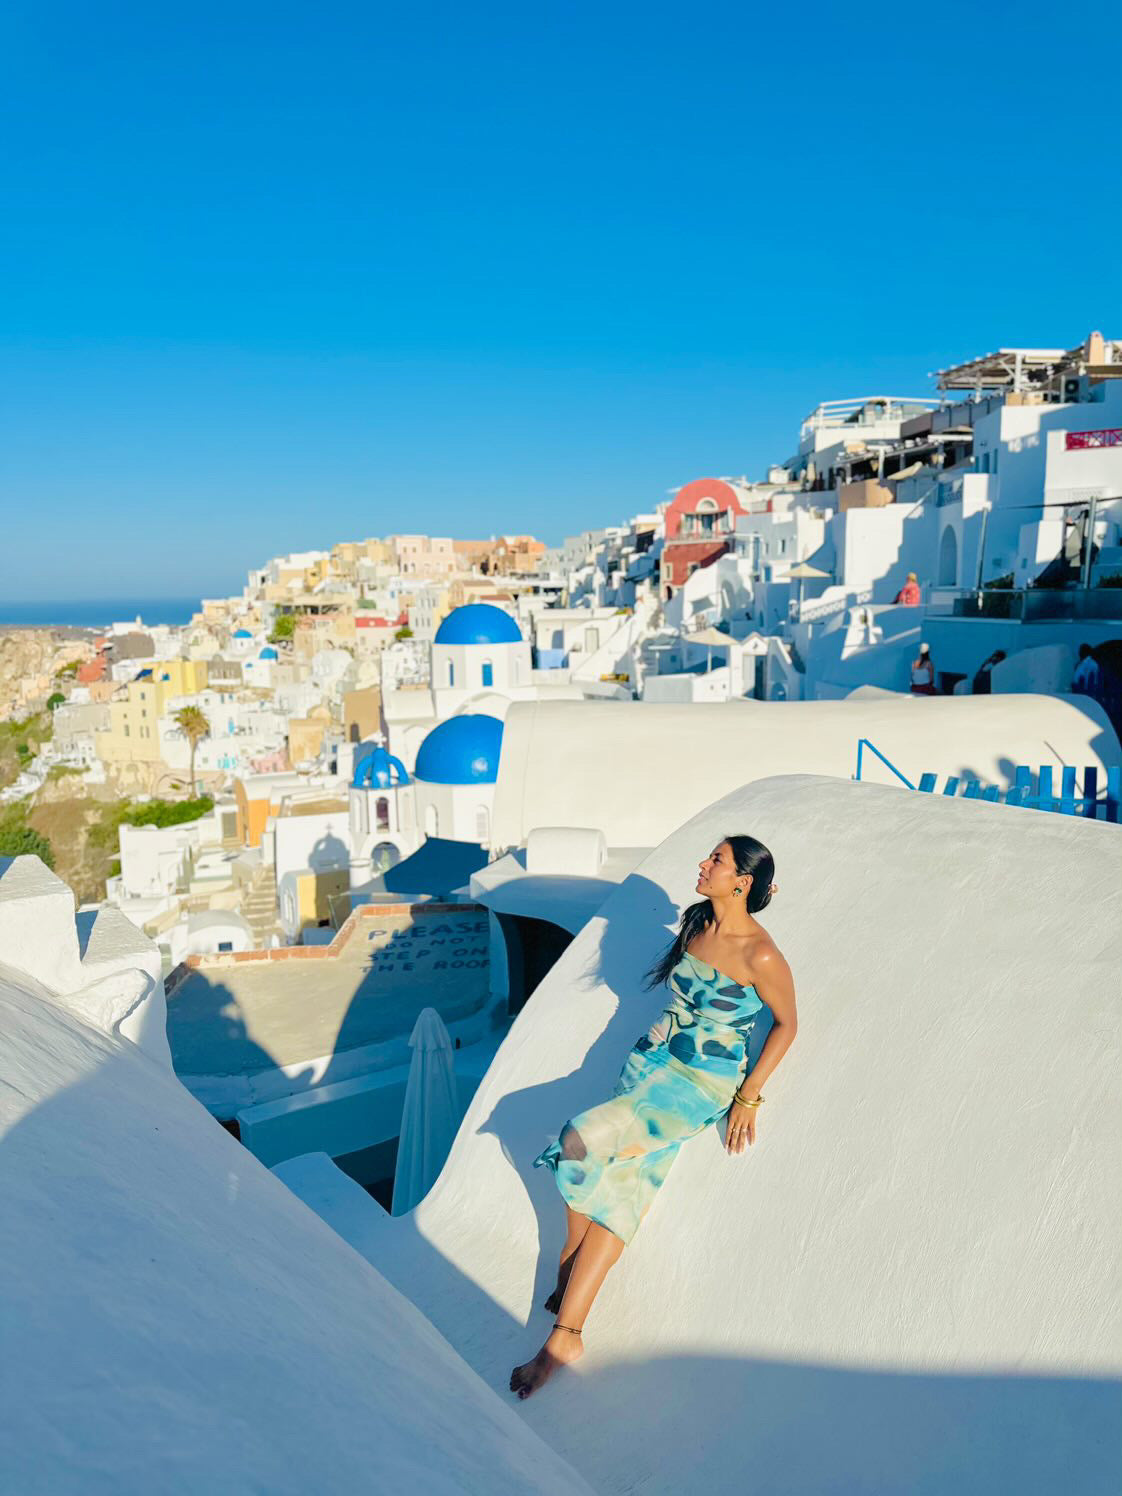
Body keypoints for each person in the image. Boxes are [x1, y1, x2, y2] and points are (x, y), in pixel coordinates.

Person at [509, 835, 798, 1400]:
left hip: (697, 1085)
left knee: (577, 1140)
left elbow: (788, 1024)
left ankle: (568, 1269)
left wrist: (749, 1095)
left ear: (742, 882)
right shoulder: (697, 925)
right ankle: (566, 1336)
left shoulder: (761, 955)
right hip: (648, 1064)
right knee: (621, 1189)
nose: (703, 864)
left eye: (716, 860)